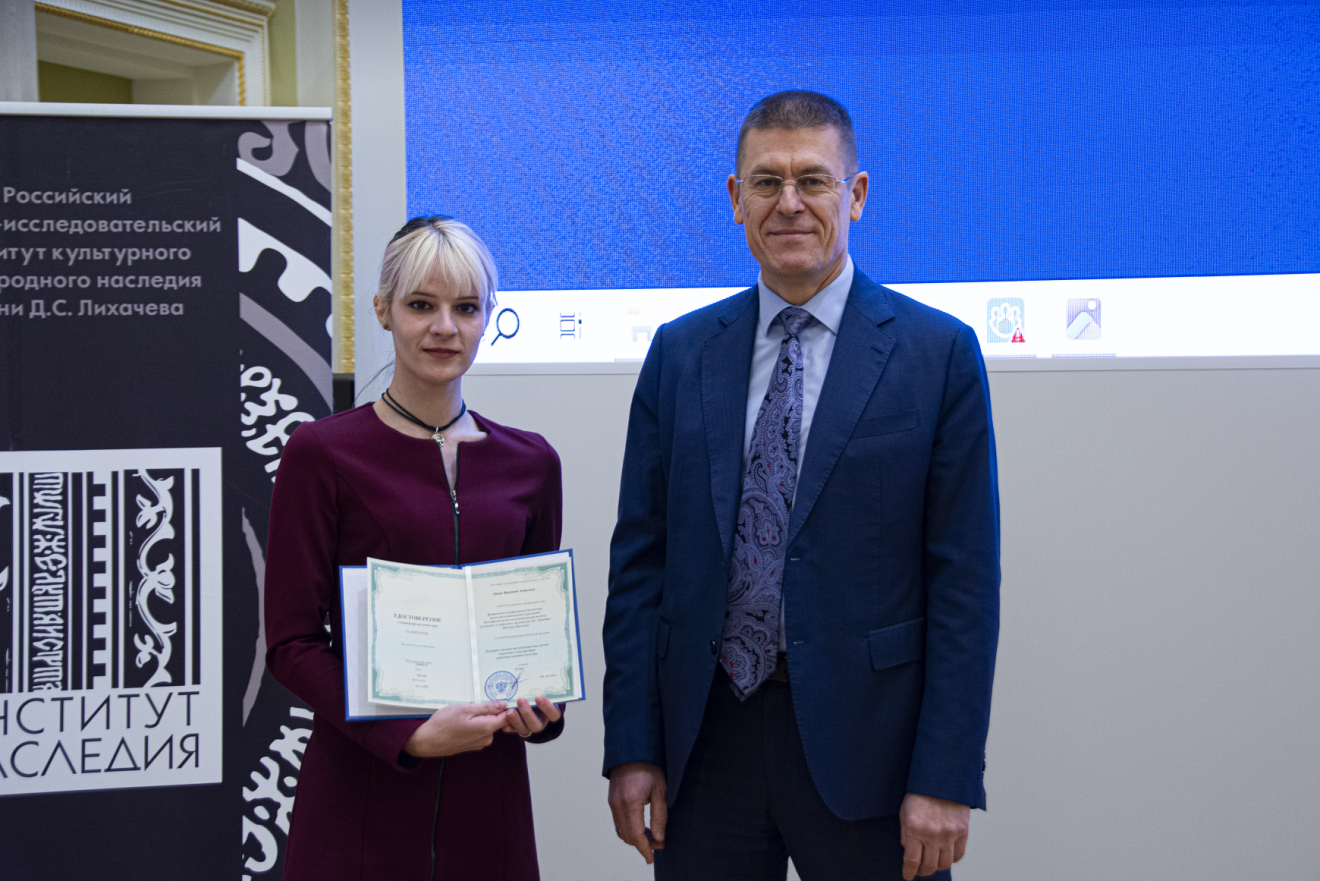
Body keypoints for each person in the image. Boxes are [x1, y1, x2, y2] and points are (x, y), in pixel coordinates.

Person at [602, 91, 1000, 880]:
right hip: (706, 746)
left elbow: (965, 585)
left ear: (855, 195)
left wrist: (946, 774)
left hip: (873, 752)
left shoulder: (938, 355)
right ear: (735, 197)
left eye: (813, 180)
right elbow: (640, 567)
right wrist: (632, 747)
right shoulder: (680, 354)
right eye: (766, 181)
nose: (788, 203)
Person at [265, 216, 566, 880]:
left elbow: (531, 634)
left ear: (488, 318)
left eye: (467, 308)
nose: (445, 328)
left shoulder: (532, 463)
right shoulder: (322, 454)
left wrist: (541, 707)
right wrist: (404, 735)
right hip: (360, 804)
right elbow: (291, 642)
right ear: (383, 309)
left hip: (489, 808)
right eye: (422, 305)